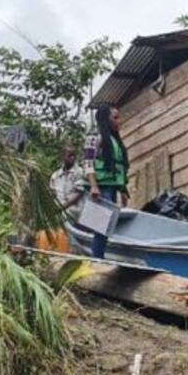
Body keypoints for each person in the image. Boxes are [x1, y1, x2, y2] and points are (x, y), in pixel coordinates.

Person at [84, 105, 130, 259]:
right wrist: (94, 186)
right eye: (115, 118)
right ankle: (97, 260)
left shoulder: (114, 140)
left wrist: (123, 190)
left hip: (111, 188)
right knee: (100, 227)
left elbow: (119, 168)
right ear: (105, 120)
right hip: (100, 189)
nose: (119, 121)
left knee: (106, 226)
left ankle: (99, 258)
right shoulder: (94, 137)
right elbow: (88, 163)